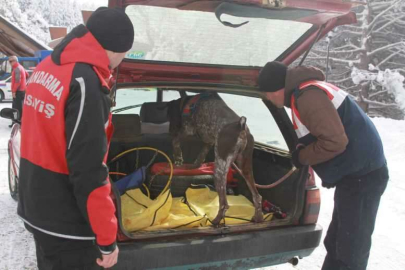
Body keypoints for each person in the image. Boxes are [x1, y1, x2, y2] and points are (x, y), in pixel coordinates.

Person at [18, 7, 134, 270]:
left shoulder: (47, 67)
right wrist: (107, 239)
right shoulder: (86, 85)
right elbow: (88, 170)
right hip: (67, 223)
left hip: (38, 206)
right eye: (125, 54)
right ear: (116, 48)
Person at [258, 61, 389, 270]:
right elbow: (324, 134)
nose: (267, 98)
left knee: (351, 248)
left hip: (365, 177)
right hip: (354, 175)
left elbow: (335, 142)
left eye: (267, 93)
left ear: (278, 88)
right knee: (337, 240)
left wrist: (302, 157)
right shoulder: (303, 93)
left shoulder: (308, 96)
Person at [9, 55, 28, 127]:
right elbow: (27, 75)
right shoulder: (21, 67)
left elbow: (17, 81)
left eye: (10, 61)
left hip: (18, 91)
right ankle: (19, 122)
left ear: (14, 61)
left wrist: (14, 91)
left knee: (16, 108)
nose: (9, 63)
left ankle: (17, 123)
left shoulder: (17, 69)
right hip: (22, 90)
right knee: (20, 107)